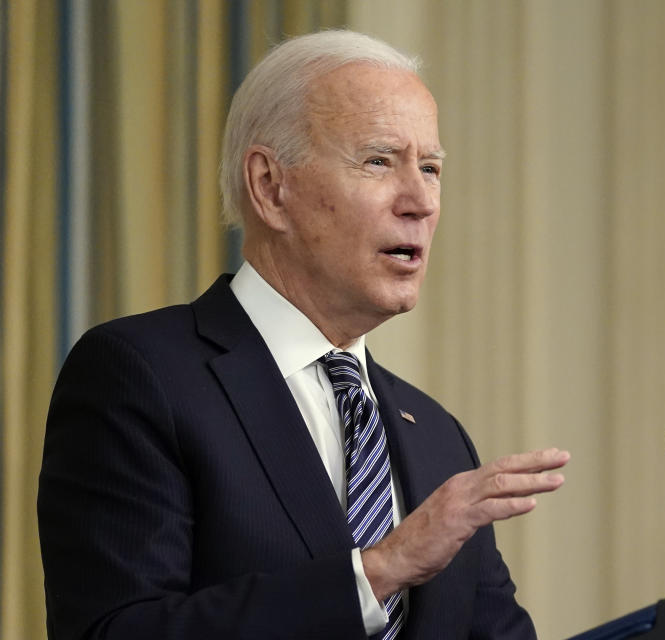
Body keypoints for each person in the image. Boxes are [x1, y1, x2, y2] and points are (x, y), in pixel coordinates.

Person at [38, 30, 569, 639]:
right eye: (378, 161)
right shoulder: (141, 375)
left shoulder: (439, 438)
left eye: (430, 168)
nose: (420, 201)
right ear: (270, 186)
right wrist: (377, 573)